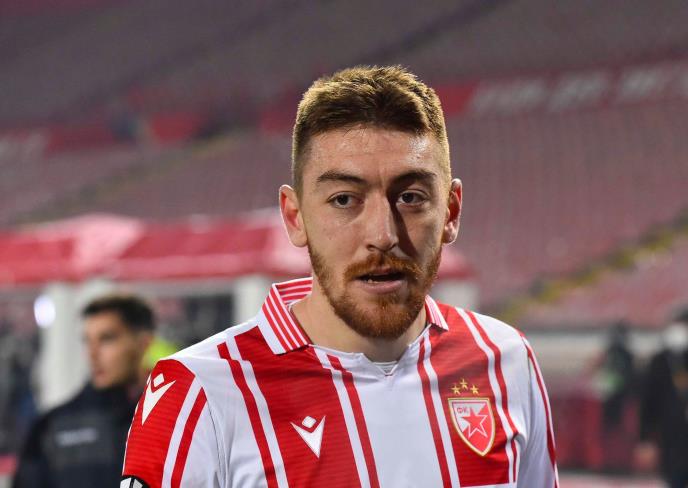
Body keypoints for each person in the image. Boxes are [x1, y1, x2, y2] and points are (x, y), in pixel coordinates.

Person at [121, 66, 558, 487]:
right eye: (345, 199)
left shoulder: (504, 359)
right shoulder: (198, 392)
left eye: (410, 197)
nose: (383, 235)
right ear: (295, 217)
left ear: (451, 211)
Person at [13, 293, 155, 488]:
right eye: (87, 341)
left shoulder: (171, 420)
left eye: (107, 339)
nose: (93, 353)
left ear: (143, 343)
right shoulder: (53, 427)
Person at [636, 308, 688, 488]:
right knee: (675, 478)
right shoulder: (660, 361)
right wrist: (645, 438)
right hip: (672, 436)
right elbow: (648, 403)